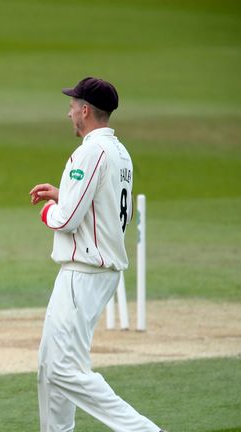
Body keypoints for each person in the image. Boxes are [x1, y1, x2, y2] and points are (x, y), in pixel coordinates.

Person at [30, 77, 164, 432]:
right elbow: (108, 209)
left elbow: (69, 220)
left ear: (85, 110)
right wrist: (64, 193)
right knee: (49, 366)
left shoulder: (90, 151)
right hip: (97, 269)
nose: (69, 112)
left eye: (73, 106)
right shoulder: (120, 152)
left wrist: (49, 212)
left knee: (63, 370)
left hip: (84, 272)